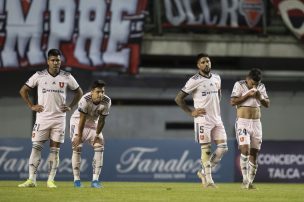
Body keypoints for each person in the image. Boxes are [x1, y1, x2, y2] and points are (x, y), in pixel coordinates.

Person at [18, 49, 83, 188]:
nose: (55, 63)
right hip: (42, 118)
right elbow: (23, 90)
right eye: (53, 60)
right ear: (48, 61)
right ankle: (31, 180)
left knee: (55, 150)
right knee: (36, 148)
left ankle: (50, 180)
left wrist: (71, 106)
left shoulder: (67, 76)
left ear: (61, 61)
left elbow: (79, 92)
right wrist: (31, 105)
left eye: (58, 60)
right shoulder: (39, 75)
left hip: (59, 119)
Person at [175, 53, 228, 188]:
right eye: (203, 62)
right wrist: (191, 112)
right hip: (203, 119)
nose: (206, 64)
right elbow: (178, 98)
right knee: (207, 150)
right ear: (198, 65)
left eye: (208, 61)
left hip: (217, 118)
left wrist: (215, 107)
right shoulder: (194, 80)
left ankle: (203, 172)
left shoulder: (217, 78)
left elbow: (219, 93)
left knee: (223, 149)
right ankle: (209, 181)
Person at [230, 68, 270, 189]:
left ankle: (250, 182)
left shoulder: (261, 87)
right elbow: (232, 101)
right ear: (247, 79)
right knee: (245, 150)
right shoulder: (239, 85)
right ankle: (245, 180)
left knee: (254, 153)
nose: (255, 86)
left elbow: (267, 104)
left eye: (256, 84)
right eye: (253, 83)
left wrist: (260, 97)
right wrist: (248, 95)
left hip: (256, 123)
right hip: (243, 122)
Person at [70, 80, 111, 188]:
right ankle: (77, 180)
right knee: (77, 147)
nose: (101, 94)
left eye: (102, 91)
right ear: (92, 91)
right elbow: (82, 119)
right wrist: (79, 136)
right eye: (98, 92)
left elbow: (102, 120)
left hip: (93, 123)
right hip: (78, 121)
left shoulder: (107, 101)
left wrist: (97, 134)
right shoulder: (85, 99)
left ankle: (95, 181)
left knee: (100, 146)